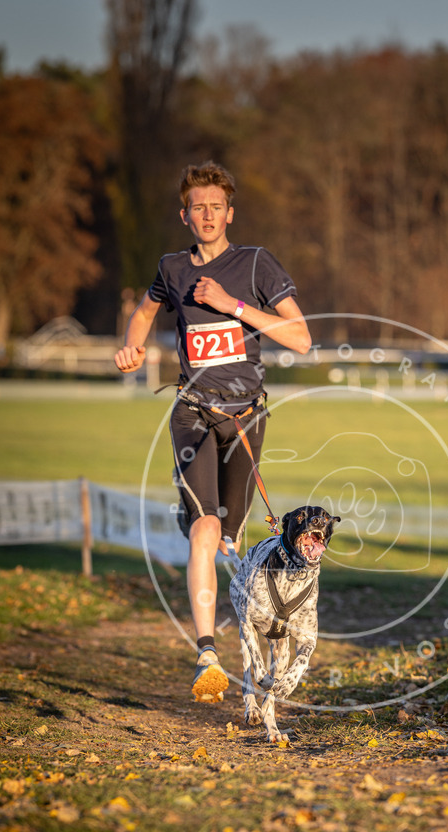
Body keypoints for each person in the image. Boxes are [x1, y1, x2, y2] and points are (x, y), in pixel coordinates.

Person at [114, 161, 311, 701]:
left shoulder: (255, 265)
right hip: (193, 413)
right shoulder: (172, 268)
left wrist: (233, 306)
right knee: (204, 531)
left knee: (230, 536)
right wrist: (133, 345)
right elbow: (144, 310)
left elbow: (301, 338)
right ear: (184, 215)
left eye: (215, 207)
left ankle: (225, 542)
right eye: (197, 207)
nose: (207, 215)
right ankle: (207, 656)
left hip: (246, 418)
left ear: (230, 213)